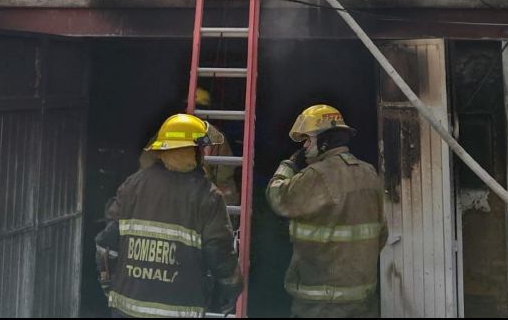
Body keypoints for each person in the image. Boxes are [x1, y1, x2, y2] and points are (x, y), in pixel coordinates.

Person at [96, 114, 242, 317]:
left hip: (127, 309)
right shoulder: (207, 196)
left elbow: (106, 246)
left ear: (161, 149)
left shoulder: (133, 185)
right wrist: (230, 291)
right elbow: (220, 254)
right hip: (180, 311)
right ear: (195, 152)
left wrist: (108, 284)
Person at [266, 104, 388, 318]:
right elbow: (382, 235)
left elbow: (277, 198)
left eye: (307, 140)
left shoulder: (317, 175)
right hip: (363, 302)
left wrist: (288, 165)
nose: (303, 146)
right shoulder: (369, 173)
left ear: (324, 141)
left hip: (321, 307)